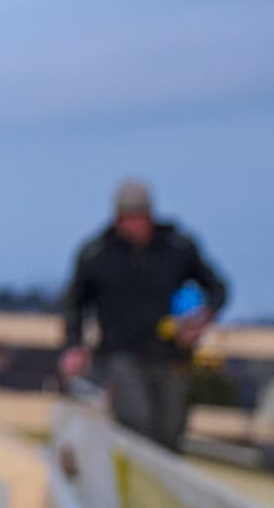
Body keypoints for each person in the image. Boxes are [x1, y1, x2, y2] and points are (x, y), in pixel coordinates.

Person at [59, 178, 227, 450]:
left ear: (150, 215)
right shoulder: (97, 254)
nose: (132, 226)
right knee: (137, 421)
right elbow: (74, 304)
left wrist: (200, 319)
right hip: (119, 353)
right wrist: (73, 345)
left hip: (170, 355)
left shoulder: (177, 247)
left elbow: (217, 288)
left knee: (170, 431)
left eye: (137, 218)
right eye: (125, 219)